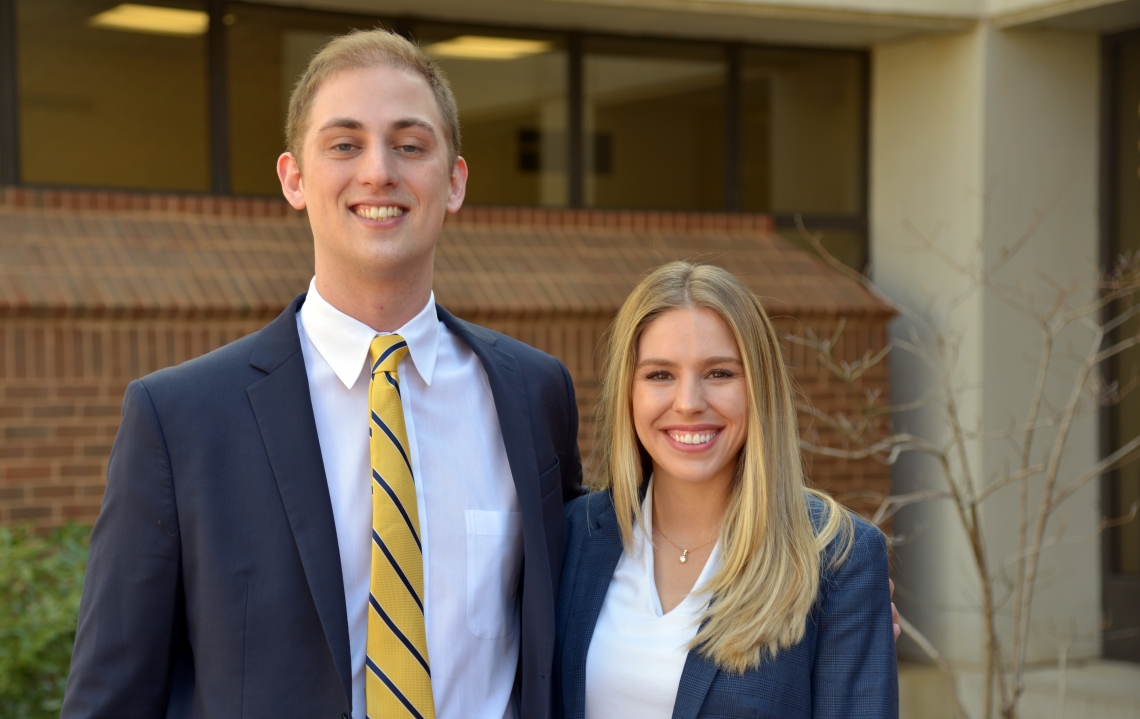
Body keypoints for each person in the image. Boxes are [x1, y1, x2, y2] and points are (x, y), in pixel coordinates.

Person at [62, 29, 581, 719]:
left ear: (453, 180)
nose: (378, 172)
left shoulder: (534, 394)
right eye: (344, 144)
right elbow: (111, 700)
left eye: (411, 144)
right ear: (294, 179)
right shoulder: (180, 419)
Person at [554, 262, 898, 718]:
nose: (689, 403)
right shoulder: (571, 535)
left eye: (719, 373)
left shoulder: (835, 558)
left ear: (760, 386)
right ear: (628, 391)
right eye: (660, 375)